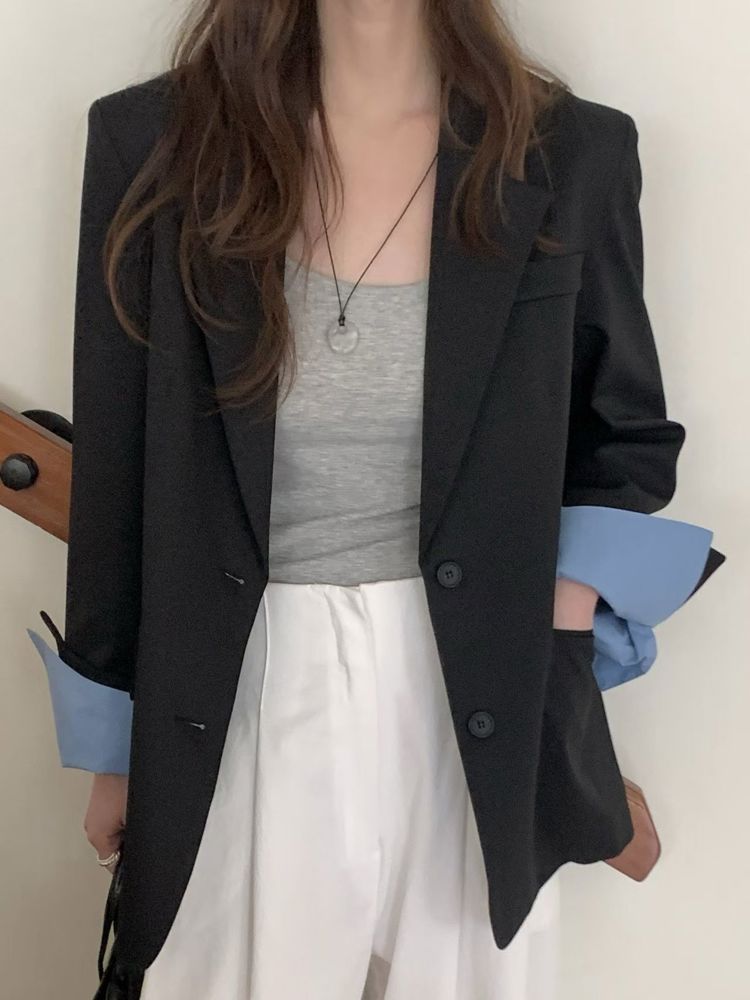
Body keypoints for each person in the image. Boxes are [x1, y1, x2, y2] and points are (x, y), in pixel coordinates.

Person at [27, 1, 725, 997]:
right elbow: (117, 470)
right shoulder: (155, 143)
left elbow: (627, 438)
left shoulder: (571, 153)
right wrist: (114, 744)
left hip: (477, 696)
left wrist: (552, 621)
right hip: (237, 685)